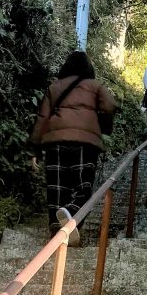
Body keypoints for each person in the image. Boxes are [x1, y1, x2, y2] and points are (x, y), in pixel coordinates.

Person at [31, 51, 116, 246]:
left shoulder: (54, 87)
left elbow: (42, 118)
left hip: (55, 141)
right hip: (85, 142)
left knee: (56, 187)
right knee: (82, 186)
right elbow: (110, 106)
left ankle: (56, 229)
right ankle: (72, 215)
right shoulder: (96, 86)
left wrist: (35, 149)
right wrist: (103, 126)